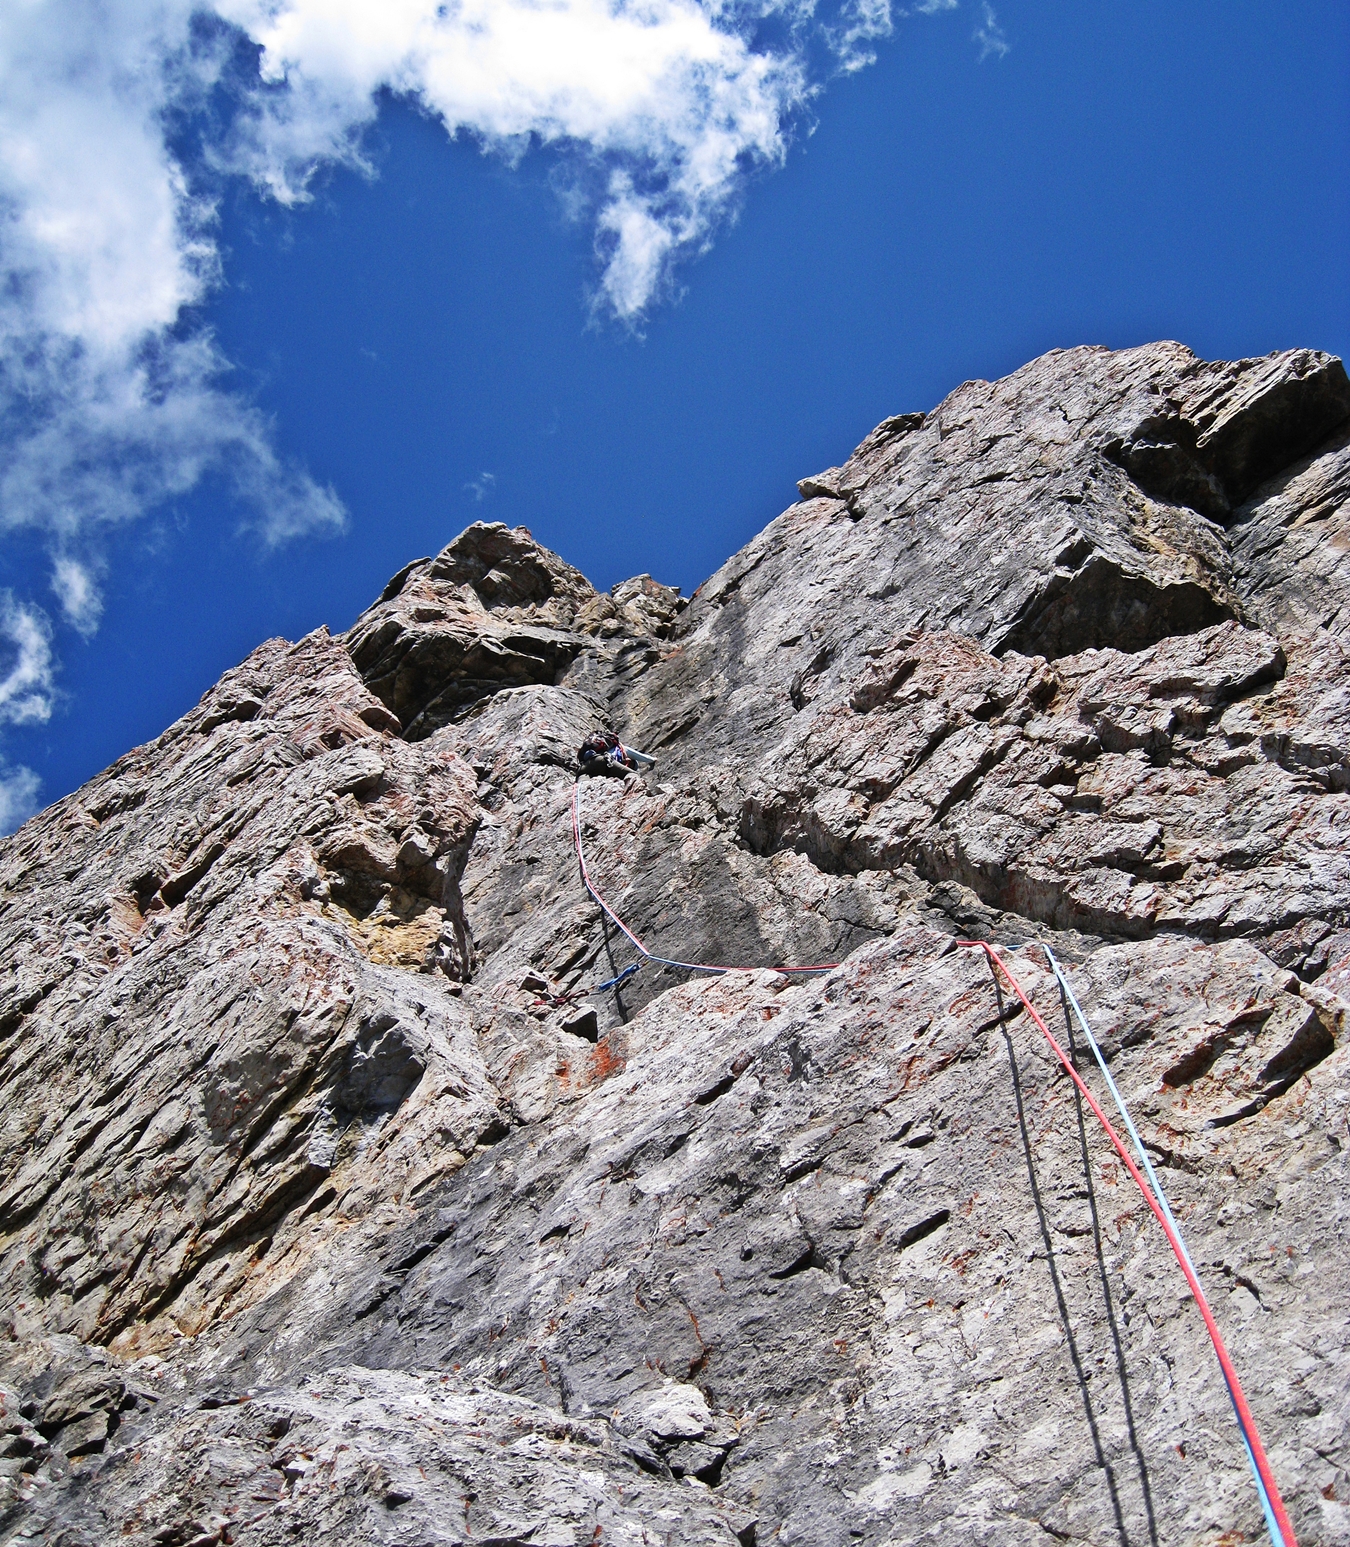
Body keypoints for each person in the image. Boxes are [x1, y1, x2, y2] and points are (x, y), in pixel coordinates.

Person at [577, 732, 656, 777]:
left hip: (587, 766)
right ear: (629, 759)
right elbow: (640, 756)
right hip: (601, 762)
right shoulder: (622, 750)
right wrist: (651, 760)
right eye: (631, 764)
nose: (628, 766)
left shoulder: (615, 751)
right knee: (634, 775)